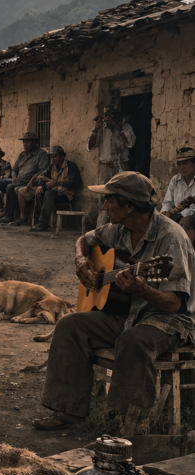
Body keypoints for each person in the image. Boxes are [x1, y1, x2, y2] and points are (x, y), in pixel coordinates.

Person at [32, 172, 195, 435]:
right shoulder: (120, 230)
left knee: (134, 340)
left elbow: (175, 304)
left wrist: (143, 291)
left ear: (129, 205)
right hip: (129, 313)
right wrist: (81, 262)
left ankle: (124, 429)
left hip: (169, 322)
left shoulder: (171, 238)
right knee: (70, 325)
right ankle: (68, 411)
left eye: (109, 201)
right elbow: (84, 240)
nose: (104, 207)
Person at [0, 133, 49, 224]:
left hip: (30, 183)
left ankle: (9, 215)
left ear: (34, 143)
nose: (25, 144)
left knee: (10, 187)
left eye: (27, 142)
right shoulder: (22, 155)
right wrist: (14, 177)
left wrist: (32, 180)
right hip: (18, 180)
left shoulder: (42, 154)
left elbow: (43, 171)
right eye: (24, 142)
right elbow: (15, 169)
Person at [87, 107, 136, 225]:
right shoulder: (101, 129)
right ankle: (102, 228)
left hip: (121, 167)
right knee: (103, 198)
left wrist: (118, 128)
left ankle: (120, 226)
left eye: (111, 115)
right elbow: (90, 147)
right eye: (106, 115)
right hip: (106, 168)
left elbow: (130, 143)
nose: (108, 118)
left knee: (122, 197)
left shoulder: (126, 127)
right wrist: (95, 131)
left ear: (117, 116)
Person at [30, 145, 82, 232]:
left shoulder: (70, 166)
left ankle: (43, 223)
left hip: (66, 195)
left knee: (49, 193)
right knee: (40, 192)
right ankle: (36, 221)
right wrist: (40, 186)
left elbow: (76, 182)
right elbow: (42, 176)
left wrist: (58, 183)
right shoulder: (51, 167)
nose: (52, 159)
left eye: (55, 157)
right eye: (51, 157)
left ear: (62, 157)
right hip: (55, 193)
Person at [161, 145, 195, 249]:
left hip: (192, 215)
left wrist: (176, 214)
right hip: (177, 214)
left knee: (185, 222)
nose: (181, 167)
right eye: (179, 164)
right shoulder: (175, 180)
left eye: (185, 163)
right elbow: (167, 203)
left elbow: (192, 207)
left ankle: (189, 254)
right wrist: (165, 213)